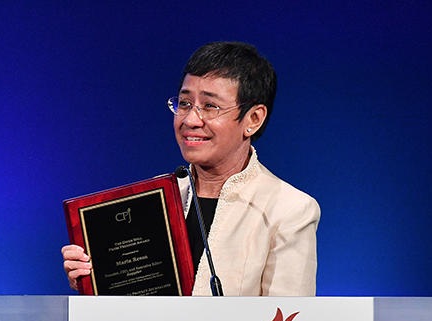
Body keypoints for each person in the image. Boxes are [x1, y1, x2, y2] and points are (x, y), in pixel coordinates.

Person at [62, 41, 320, 296]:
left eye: (210, 106)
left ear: (253, 119)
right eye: (184, 103)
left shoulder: (289, 210)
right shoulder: (153, 199)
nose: (190, 120)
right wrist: (93, 280)